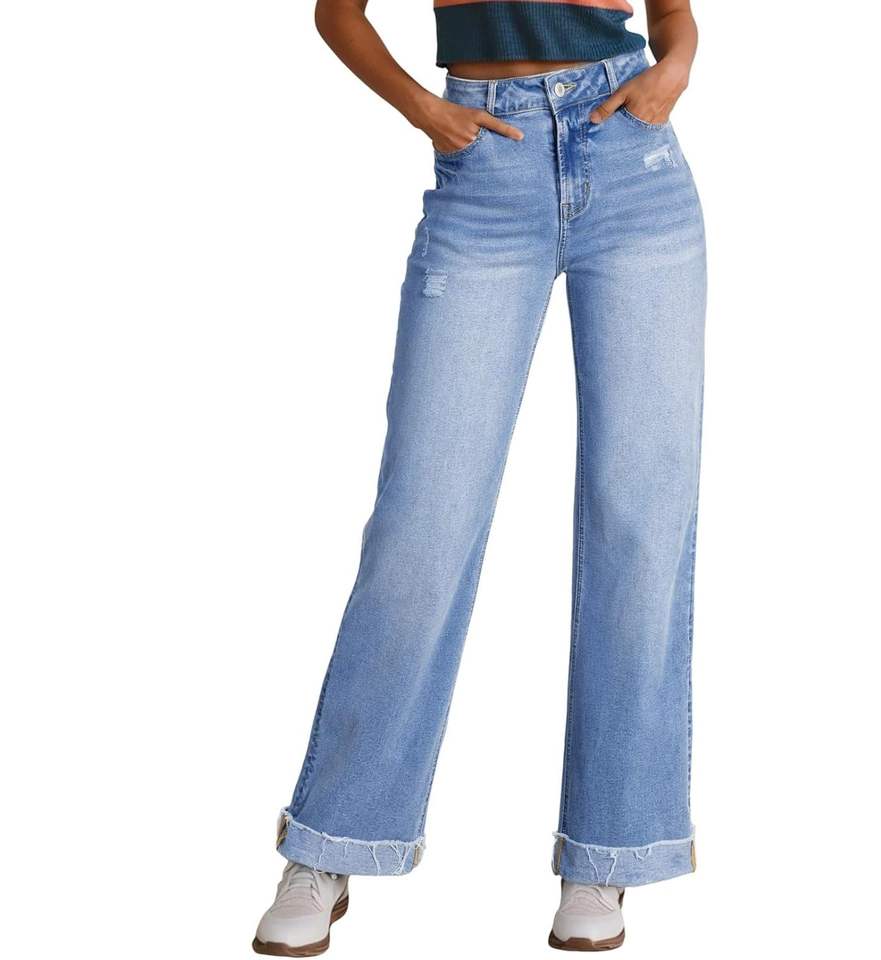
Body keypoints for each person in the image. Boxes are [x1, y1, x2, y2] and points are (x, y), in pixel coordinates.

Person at [253, 0, 705, 953]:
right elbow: (338, 12)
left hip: (635, 168)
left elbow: (672, 13)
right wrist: (421, 106)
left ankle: (610, 852)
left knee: (640, 521)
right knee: (422, 522)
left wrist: (677, 65)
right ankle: (335, 839)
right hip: (485, 173)